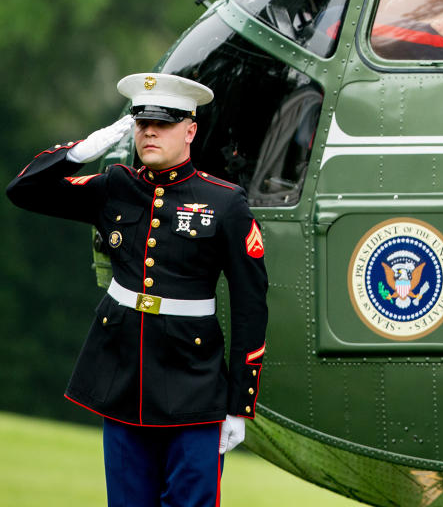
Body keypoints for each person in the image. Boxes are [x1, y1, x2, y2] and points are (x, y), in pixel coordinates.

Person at [7, 73, 269, 506]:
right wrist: (81, 151)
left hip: (194, 386)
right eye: (142, 121)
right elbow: (24, 191)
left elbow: (249, 307)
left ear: (190, 130)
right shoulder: (116, 186)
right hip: (122, 378)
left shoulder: (225, 203)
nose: (149, 131)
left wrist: (239, 403)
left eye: (163, 123)